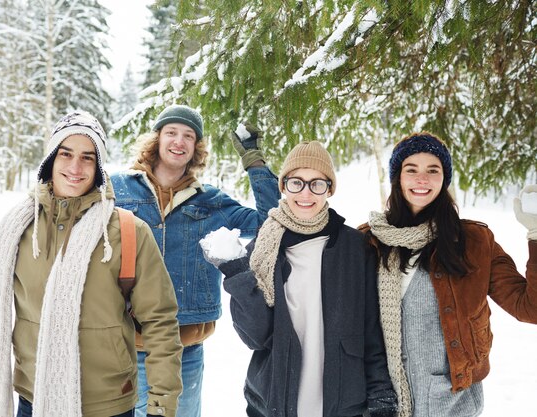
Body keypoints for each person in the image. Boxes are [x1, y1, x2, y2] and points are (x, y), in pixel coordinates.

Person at [0, 110, 183, 417]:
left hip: (107, 405)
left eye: (88, 157)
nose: (75, 167)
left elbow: (160, 323)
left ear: (99, 167)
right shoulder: (18, 230)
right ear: (50, 159)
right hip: (33, 401)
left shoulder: (128, 232)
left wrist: (161, 405)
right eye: (66, 153)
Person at [201, 141, 397, 417]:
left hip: (342, 405)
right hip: (275, 401)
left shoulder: (355, 246)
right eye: (296, 183)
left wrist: (380, 393)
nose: (306, 193)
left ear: (329, 189)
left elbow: (370, 329)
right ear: (283, 186)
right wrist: (236, 273)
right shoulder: (263, 248)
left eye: (317, 183)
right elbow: (256, 337)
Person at [110, 104, 280, 417]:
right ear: (157, 139)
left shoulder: (210, 200)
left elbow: (270, 222)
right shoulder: (118, 189)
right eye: (171, 132)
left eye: (188, 135)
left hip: (184, 347)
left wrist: (253, 161)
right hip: (128, 344)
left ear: (196, 147)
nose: (179, 141)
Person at [360, 132, 537, 417]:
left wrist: (536, 233)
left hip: (454, 405)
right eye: (411, 170)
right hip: (382, 405)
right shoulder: (368, 242)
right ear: (397, 178)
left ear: (444, 179)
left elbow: (531, 308)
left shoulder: (474, 241)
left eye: (433, 170)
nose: (422, 179)